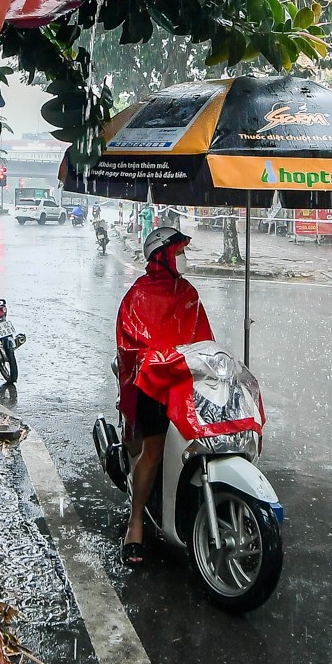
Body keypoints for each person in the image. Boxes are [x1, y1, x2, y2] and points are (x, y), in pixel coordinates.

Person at [115, 225, 214, 566]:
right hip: (155, 382)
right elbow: (132, 345)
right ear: (163, 257)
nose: (184, 258)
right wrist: (158, 361)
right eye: (179, 252)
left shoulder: (188, 292)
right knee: (153, 450)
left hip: (187, 379)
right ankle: (136, 520)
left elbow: (204, 340)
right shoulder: (138, 295)